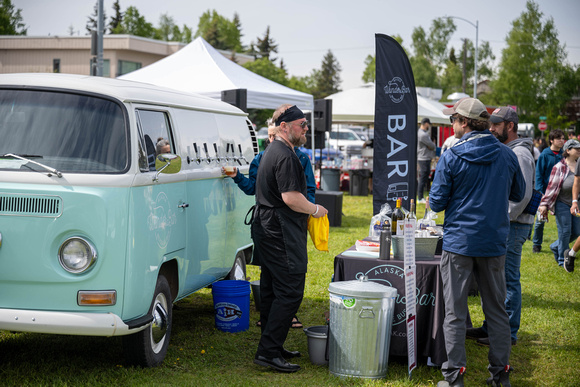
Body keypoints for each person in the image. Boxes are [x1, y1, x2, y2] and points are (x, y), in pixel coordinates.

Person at [430, 98, 525, 387]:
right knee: (496, 312)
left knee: (455, 313)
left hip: (459, 243)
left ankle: (454, 377)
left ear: (464, 122)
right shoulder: (506, 154)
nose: (452, 126)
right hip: (493, 242)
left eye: (453, 121)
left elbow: (436, 202)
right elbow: (519, 193)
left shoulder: (452, 155)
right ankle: (500, 375)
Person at [252, 104, 328, 373]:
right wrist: (316, 210)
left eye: (307, 124)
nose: (306, 129)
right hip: (278, 229)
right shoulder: (283, 154)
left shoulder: (276, 150)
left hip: (269, 226)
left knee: (273, 290)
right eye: (301, 125)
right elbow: (291, 198)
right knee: (291, 291)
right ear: (284, 126)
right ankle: (268, 351)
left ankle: (272, 345)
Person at [223, 123, 314, 329]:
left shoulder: (300, 158)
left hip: (293, 223)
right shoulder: (260, 158)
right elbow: (252, 189)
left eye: (275, 136)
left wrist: (307, 213)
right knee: (270, 271)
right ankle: (269, 316)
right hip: (267, 224)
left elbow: (309, 189)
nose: (273, 141)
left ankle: (286, 315)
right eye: (269, 138)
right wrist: (237, 177)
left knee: (288, 273)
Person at [466, 107, 534, 347]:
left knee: (508, 281)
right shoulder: (508, 151)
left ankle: (508, 334)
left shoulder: (521, 154)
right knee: (495, 281)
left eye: (496, 125)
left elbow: (522, 196)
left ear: (510, 126)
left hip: (513, 226)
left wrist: (498, 217)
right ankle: (491, 327)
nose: (491, 129)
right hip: (506, 225)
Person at [536, 139, 580, 266]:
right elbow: (551, 188)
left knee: (577, 232)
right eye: (576, 148)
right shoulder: (559, 167)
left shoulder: (579, 165)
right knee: (565, 231)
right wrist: (544, 204)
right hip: (562, 203)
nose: (579, 150)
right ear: (568, 150)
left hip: (575, 203)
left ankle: (556, 246)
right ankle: (562, 259)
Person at [532, 130, 566, 253]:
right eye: (558, 138)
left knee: (562, 222)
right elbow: (539, 175)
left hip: (560, 193)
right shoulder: (544, 155)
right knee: (540, 220)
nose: (561, 141)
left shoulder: (564, 154)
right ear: (551, 140)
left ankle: (560, 246)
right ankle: (536, 244)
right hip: (545, 192)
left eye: (562, 138)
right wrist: (541, 194)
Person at [417, 117, 436, 204]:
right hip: (424, 158)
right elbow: (432, 146)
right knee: (423, 178)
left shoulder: (420, 133)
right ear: (426, 124)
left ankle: (420, 196)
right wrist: (431, 145)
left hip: (422, 157)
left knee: (423, 177)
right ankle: (420, 197)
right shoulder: (423, 134)